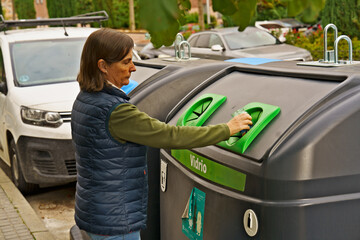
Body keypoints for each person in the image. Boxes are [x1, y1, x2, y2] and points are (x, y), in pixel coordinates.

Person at [71, 28, 252, 240]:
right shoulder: (115, 112)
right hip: (116, 221)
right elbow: (170, 136)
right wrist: (227, 129)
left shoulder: (85, 99)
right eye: (126, 62)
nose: (133, 67)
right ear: (103, 66)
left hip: (95, 211)